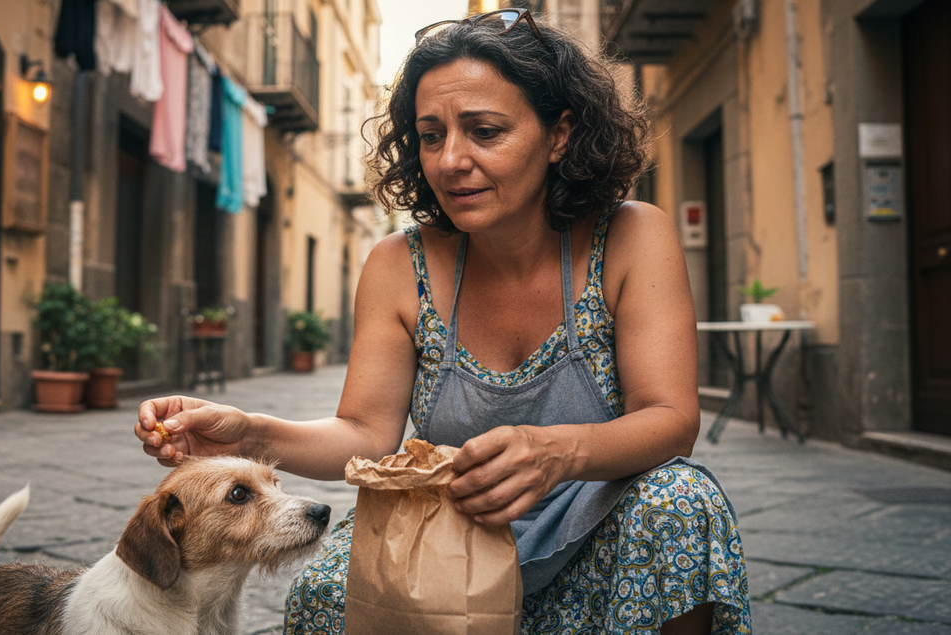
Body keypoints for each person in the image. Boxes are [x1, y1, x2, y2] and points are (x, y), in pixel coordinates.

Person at [136, 8, 750, 634]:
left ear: (559, 133)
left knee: (682, 500)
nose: (451, 159)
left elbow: (671, 420)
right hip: (445, 541)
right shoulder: (398, 264)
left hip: (604, 530)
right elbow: (365, 432)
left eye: (485, 131)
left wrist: (559, 452)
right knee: (324, 592)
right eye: (431, 135)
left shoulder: (630, 236)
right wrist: (246, 433)